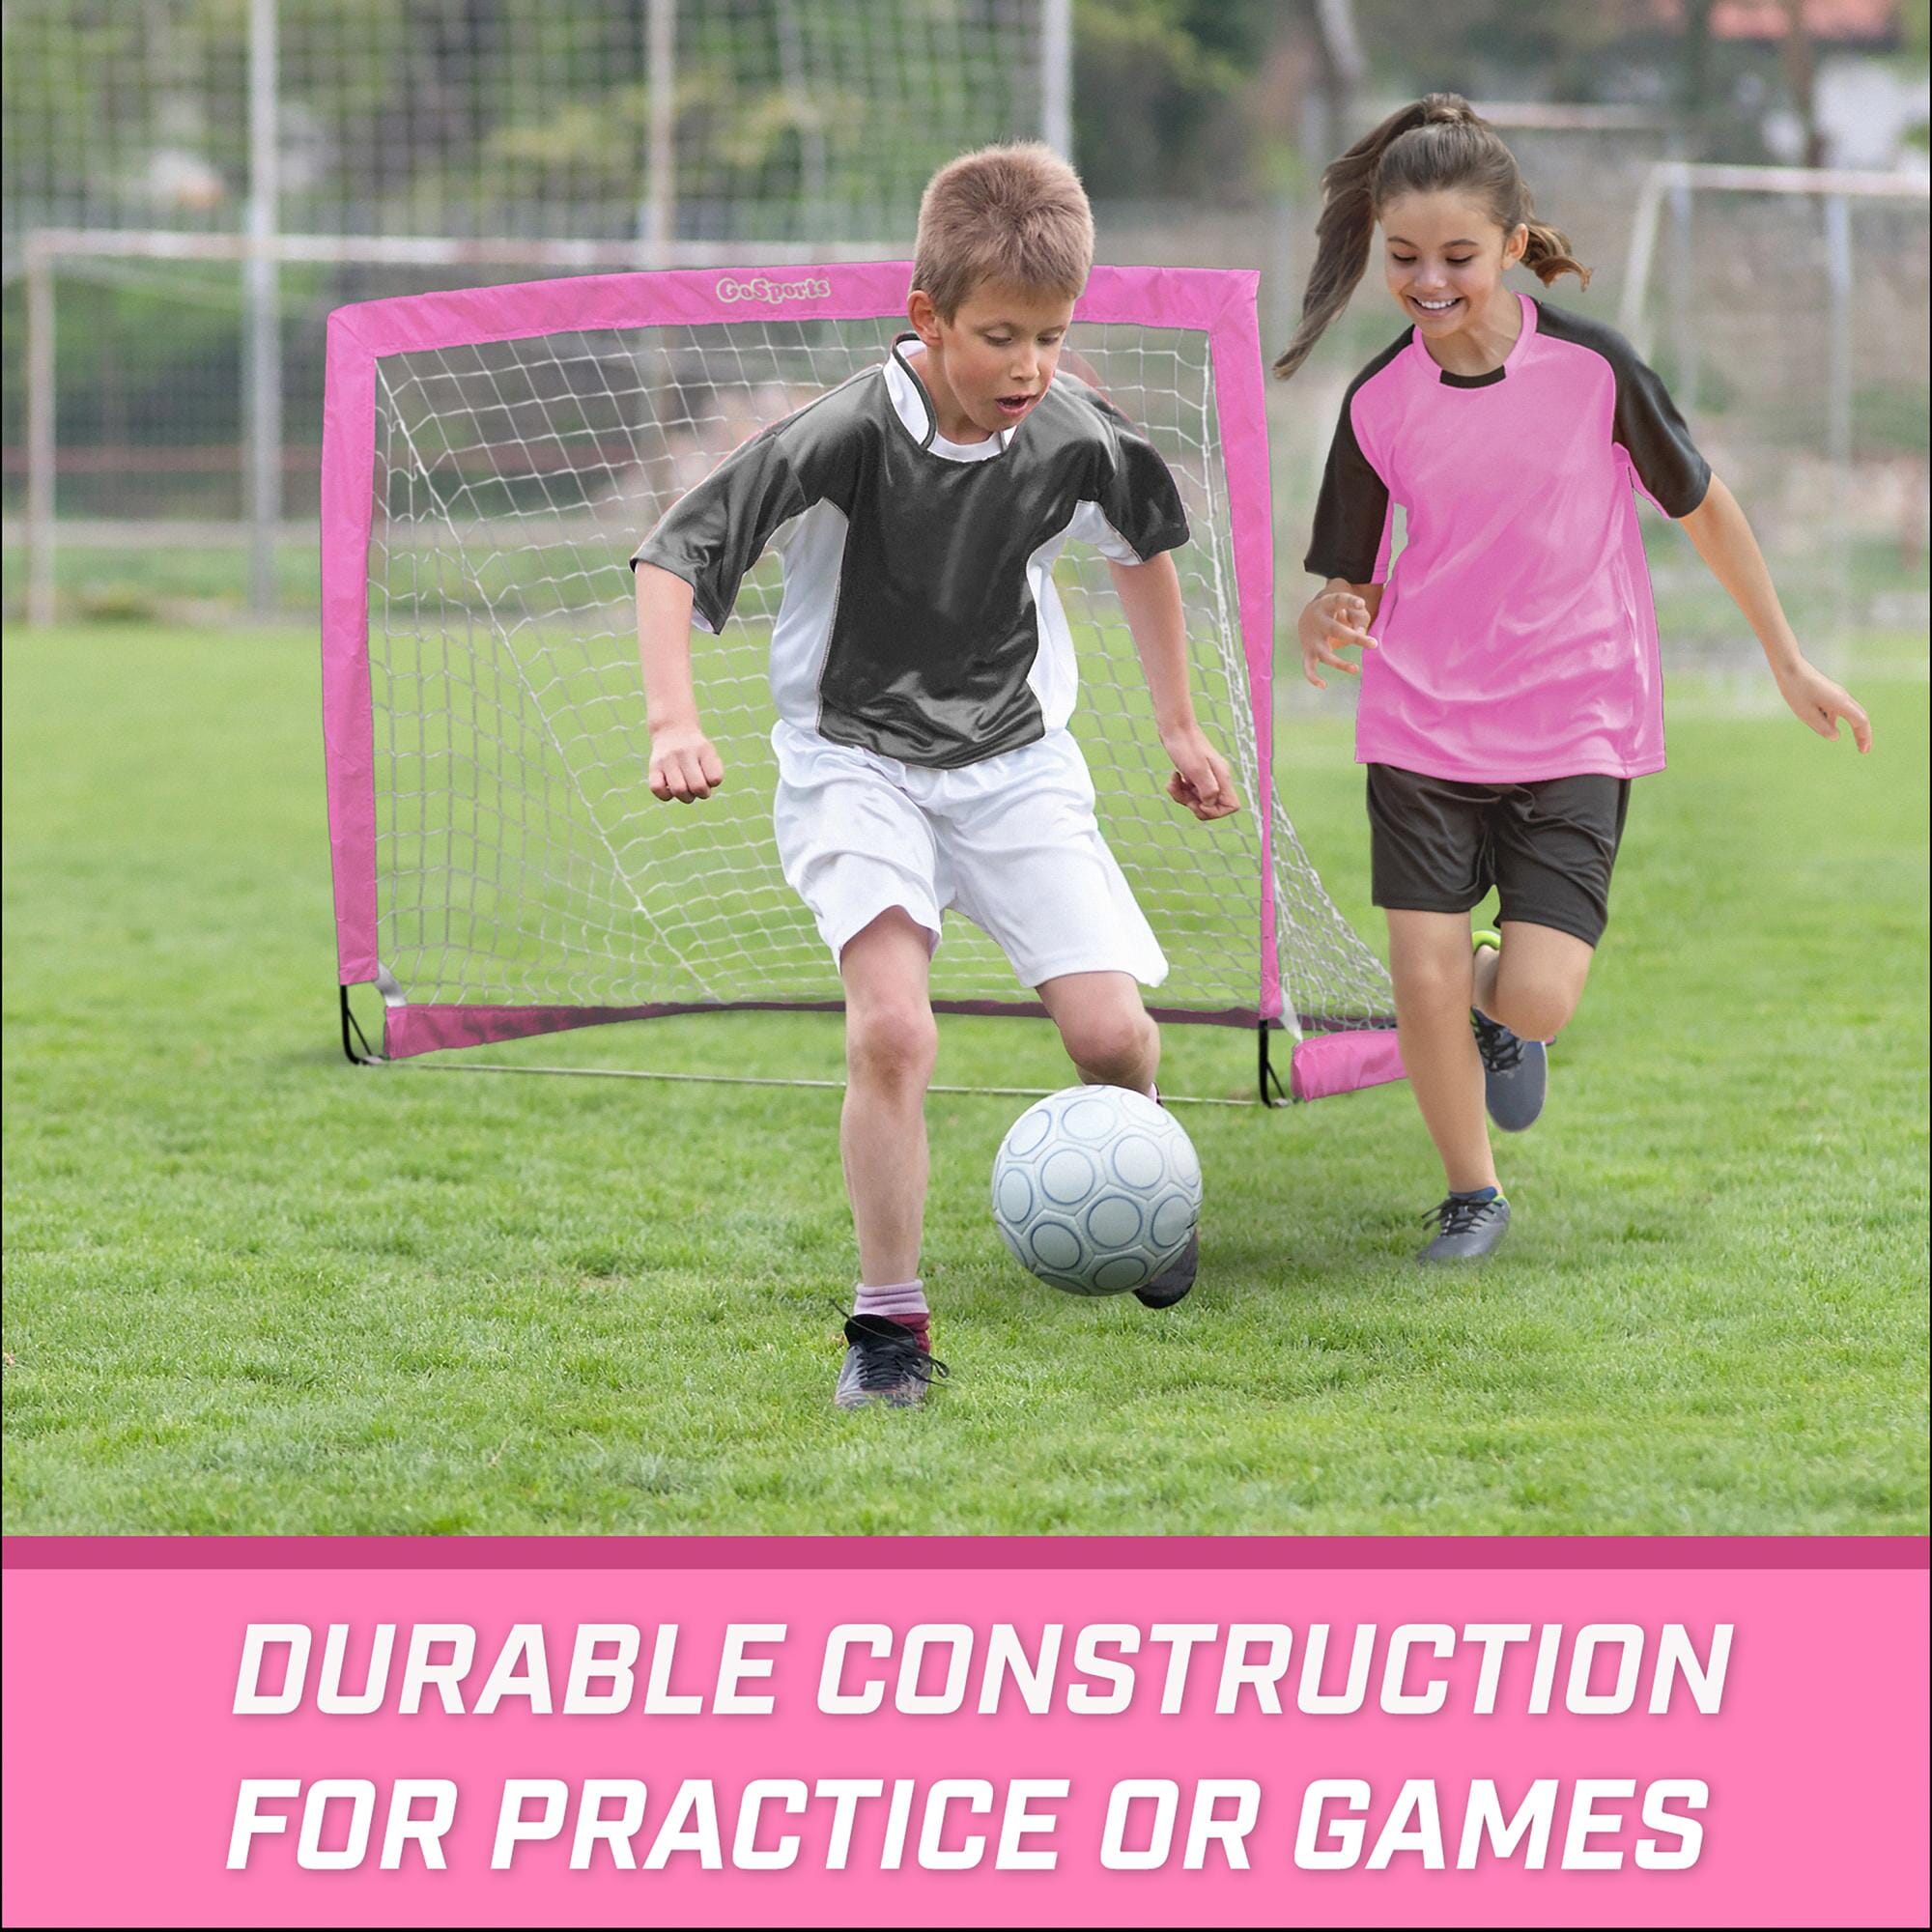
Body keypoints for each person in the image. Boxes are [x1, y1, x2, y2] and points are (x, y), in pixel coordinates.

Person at [632, 143, 1240, 1404]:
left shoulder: (1070, 428)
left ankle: (1146, 1193)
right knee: (896, 1031)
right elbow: (672, 557)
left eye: (1052, 337)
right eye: (1001, 335)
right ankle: (889, 1330)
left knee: (1113, 1037)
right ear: (929, 318)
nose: (1029, 365)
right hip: (854, 764)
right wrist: (668, 720)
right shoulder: (845, 434)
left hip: (1014, 763)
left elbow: (1142, 548)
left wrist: (1181, 727)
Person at [1277, 94, 1871, 1264]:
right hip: (1419, 725)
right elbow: (1352, 578)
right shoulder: (1375, 402)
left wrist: (1785, 655)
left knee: (1535, 996)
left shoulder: (1593, 371)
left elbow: (1701, 507)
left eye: (1455, 255)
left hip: (1575, 720)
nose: (1427, 280)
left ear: (1509, 243)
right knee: (1423, 964)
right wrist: (1331, 611)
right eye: (1402, 258)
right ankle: (1470, 1192)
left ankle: (1495, 1022)